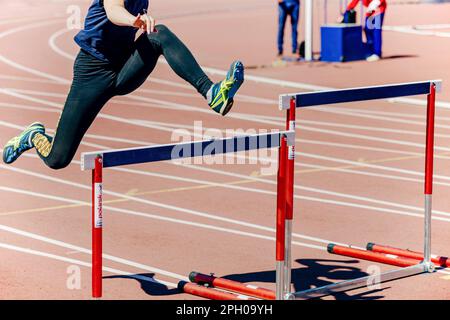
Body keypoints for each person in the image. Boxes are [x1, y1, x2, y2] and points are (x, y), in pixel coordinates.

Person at [3, 0, 245, 169]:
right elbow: (113, 10)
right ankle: (34, 136)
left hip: (124, 67)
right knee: (58, 159)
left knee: (159, 33)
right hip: (92, 72)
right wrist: (135, 20)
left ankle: (212, 92)